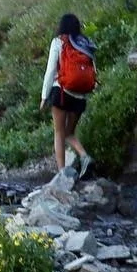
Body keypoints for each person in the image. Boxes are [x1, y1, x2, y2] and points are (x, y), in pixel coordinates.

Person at [40, 13, 96, 177]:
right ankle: (84, 156)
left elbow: (51, 70)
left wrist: (44, 96)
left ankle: (62, 173)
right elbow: (93, 69)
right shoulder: (85, 43)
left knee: (59, 132)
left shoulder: (58, 42)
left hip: (61, 92)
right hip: (80, 96)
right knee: (69, 132)